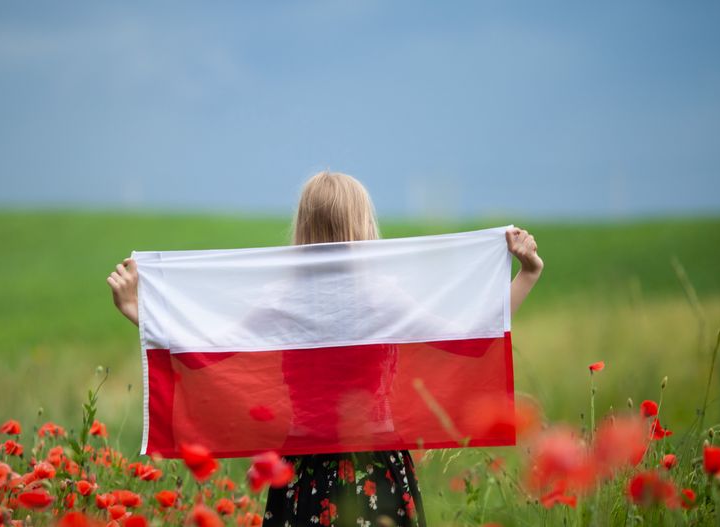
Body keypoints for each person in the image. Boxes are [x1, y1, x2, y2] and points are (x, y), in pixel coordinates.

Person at [106, 170, 543, 526]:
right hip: (378, 465)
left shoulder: (282, 297)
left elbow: (206, 351)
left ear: (303, 226)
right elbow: (469, 338)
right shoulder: (382, 295)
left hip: (301, 470)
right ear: (362, 224)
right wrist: (526, 275)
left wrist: (134, 308)